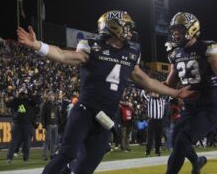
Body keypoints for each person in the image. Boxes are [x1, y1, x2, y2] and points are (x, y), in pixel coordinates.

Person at [17, 10, 193, 174]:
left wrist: (175, 93)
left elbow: (145, 80)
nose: (130, 30)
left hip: (105, 119)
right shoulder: (92, 47)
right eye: (126, 26)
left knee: (85, 168)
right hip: (84, 112)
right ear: (114, 27)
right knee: (67, 153)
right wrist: (37, 45)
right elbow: (63, 55)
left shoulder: (132, 52)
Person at [163, 12, 217, 174]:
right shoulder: (176, 54)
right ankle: (197, 161)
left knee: (182, 139)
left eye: (179, 30)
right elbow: (169, 84)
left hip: (208, 108)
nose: (175, 34)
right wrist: (148, 84)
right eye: (174, 31)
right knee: (175, 141)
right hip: (189, 108)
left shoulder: (206, 49)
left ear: (191, 29)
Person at [6, 87, 40, 163]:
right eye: (22, 93)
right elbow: (8, 104)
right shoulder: (16, 100)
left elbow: (37, 102)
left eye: (24, 93)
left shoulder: (30, 101)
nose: (23, 94)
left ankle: (26, 158)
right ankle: (9, 158)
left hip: (27, 124)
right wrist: (17, 96)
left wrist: (29, 94)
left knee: (27, 143)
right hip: (17, 124)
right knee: (13, 142)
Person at [142, 91, 166, 156]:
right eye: (154, 93)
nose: (155, 94)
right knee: (150, 136)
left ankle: (157, 150)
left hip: (160, 120)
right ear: (151, 93)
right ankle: (148, 151)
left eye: (157, 92)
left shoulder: (162, 100)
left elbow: (169, 96)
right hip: (152, 120)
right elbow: (143, 94)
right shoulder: (149, 99)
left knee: (159, 136)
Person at [40, 91, 61, 161]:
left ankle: (52, 155)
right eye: (50, 95)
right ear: (48, 97)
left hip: (55, 125)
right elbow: (42, 116)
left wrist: (60, 124)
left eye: (52, 95)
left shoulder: (56, 105)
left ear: (54, 97)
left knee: (53, 142)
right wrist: (43, 125)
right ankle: (44, 155)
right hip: (48, 125)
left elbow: (59, 115)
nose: (51, 97)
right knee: (47, 141)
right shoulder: (45, 105)